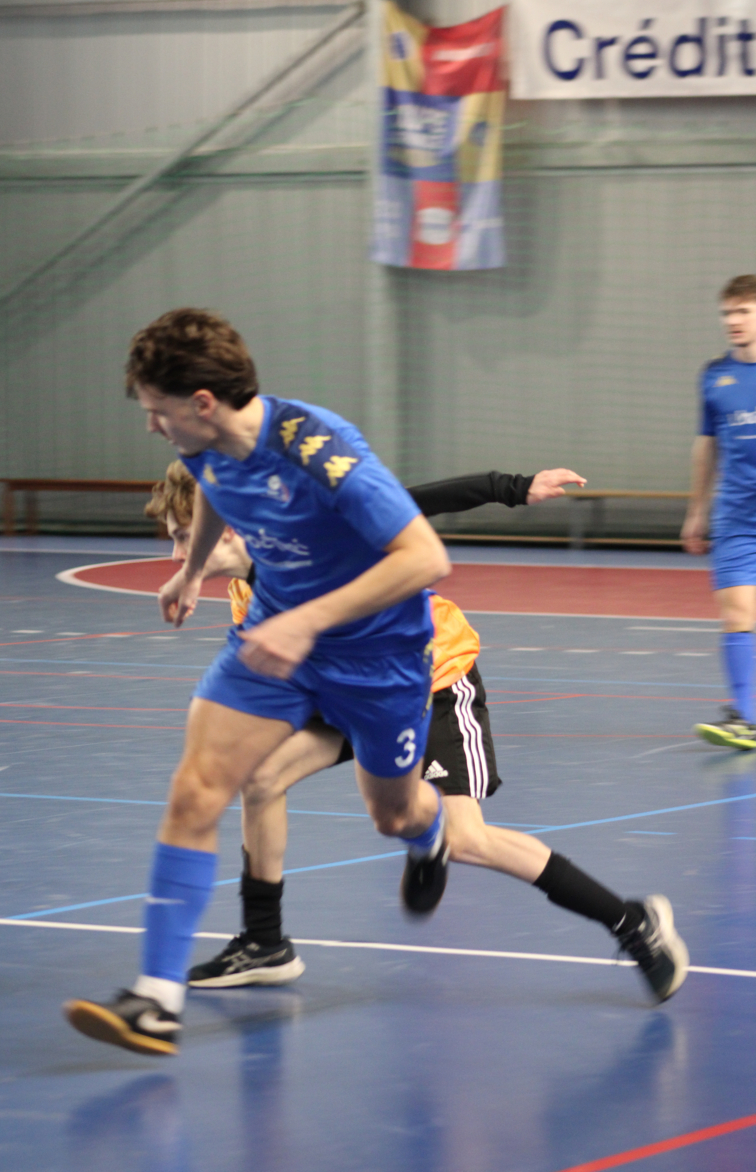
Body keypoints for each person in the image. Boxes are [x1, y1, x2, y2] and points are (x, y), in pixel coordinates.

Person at [147, 462, 689, 1010]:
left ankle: (632, 922)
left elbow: (420, 501)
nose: (175, 555)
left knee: (466, 839)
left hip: (431, 679)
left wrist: (517, 488)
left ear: (225, 528)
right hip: (348, 692)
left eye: (183, 537)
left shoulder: (317, 534)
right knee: (261, 777)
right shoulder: (244, 590)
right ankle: (265, 942)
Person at [65, 307, 453, 1057]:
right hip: (271, 645)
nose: (151, 425)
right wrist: (192, 570)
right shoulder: (205, 444)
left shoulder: (320, 452)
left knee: (393, 814)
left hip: (378, 659)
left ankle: (428, 835)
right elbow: (215, 485)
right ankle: (156, 999)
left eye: (157, 410)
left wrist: (310, 622)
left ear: (203, 402)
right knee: (195, 790)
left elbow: (425, 558)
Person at [682, 275, 756, 749]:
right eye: (727, 312)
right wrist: (697, 512)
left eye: (743, 311)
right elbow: (705, 447)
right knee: (738, 613)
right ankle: (746, 717)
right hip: (737, 520)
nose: (733, 321)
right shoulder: (714, 376)